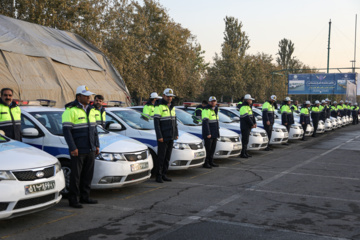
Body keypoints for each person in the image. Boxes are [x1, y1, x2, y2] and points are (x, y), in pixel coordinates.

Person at [62, 85, 100, 208]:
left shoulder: (92, 110)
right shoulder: (70, 110)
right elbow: (67, 132)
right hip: (78, 149)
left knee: (87, 175)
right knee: (76, 176)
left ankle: (85, 197)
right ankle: (73, 200)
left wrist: (97, 145)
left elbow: (94, 131)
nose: (89, 97)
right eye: (86, 95)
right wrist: (73, 147)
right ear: (79, 96)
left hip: (90, 148)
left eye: (89, 95)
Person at [153, 88, 179, 183]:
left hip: (171, 136)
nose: (169, 98)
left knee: (167, 157)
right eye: (168, 96)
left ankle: (164, 174)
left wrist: (176, 133)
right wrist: (159, 136)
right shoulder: (158, 106)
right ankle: (158, 176)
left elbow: (174, 122)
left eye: (171, 96)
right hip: (163, 137)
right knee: (161, 157)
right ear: (163, 96)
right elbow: (156, 124)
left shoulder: (172, 107)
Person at [202, 96, 220, 168]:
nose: (213, 102)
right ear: (209, 102)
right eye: (212, 101)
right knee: (208, 149)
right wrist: (208, 133)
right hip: (209, 134)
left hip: (215, 132)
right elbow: (205, 123)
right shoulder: (206, 110)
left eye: (214, 101)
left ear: (216, 102)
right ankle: (206, 163)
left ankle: (211, 161)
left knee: (213, 148)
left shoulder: (215, 110)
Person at [239, 94, 256, 158]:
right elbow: (246, 117)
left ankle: (245, 152)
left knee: (247, 140)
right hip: (245, 126)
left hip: (248, 126)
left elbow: (252, 115)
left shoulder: (248, 107)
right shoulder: (243, 107)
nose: (251, 101)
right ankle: (243, 153)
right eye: (250, 99)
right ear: (247, 100)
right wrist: (252, 124)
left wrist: (254, 122)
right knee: (245, 140)